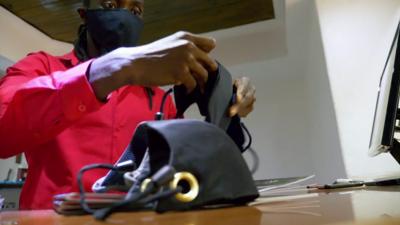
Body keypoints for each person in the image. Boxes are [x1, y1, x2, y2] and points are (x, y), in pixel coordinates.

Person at [0, 0, 256, 209]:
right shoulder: (41, 67)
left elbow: (183, 170)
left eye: (135, 10)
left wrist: (226, 112)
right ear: (84, 14)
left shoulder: (158, 98)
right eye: (111, 5)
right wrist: (114, 69)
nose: (125, 15)